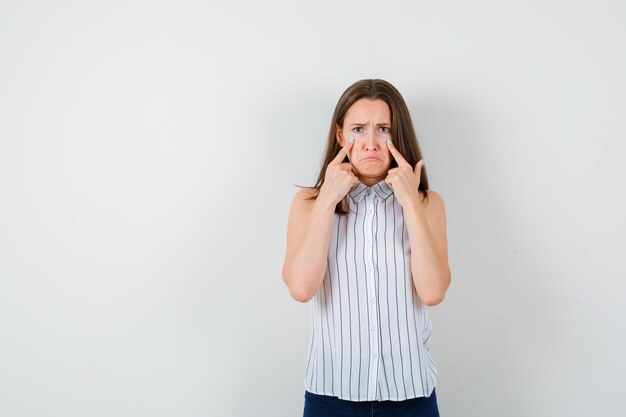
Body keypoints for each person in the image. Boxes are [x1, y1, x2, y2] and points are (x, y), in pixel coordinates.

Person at [282, 79, 451, 417]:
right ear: (341, 136)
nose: (371, 142)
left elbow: (432, 292)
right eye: (358, 129)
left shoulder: (426, 203)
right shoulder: (308, 203)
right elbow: (301, 289)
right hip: (331, 397)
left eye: (383, 128)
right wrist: (329, 198)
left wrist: (409, 202)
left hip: (411, 397)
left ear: (397, 134)